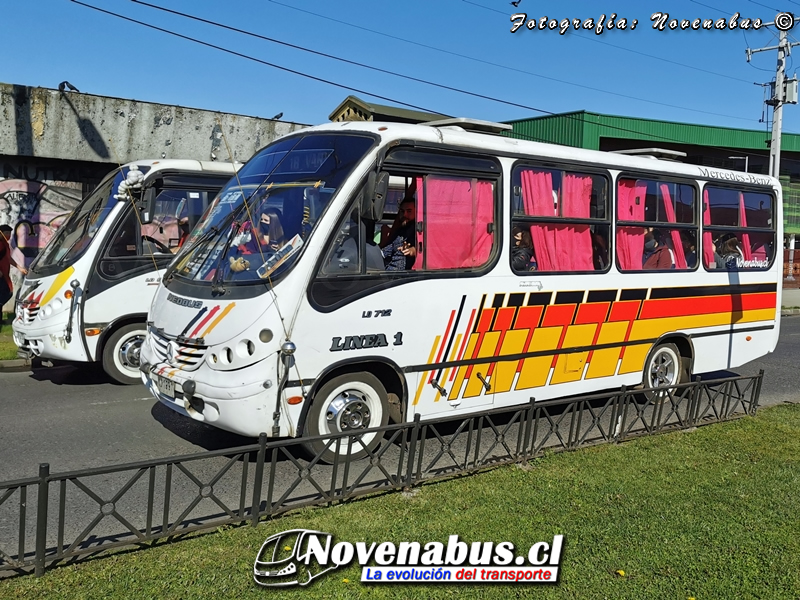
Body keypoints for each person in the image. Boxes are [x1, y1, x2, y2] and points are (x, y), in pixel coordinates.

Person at [379, 198, 416, 271]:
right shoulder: (400, 231)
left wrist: (414, 251)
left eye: (409, 211)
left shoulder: (419, 230)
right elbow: (385, 252)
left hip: (403, 277)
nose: (404, 214)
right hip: (388, 272)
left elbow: (426, 248)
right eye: (402, 211)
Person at [0, 224, 27, 308]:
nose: (8, 235)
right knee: (7, 293)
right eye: (6, 233)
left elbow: (8, 258)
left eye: (9, 233)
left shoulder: (5, 244)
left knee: (5, 293)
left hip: (4, 274)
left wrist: (20, 268)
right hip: (1, 274)